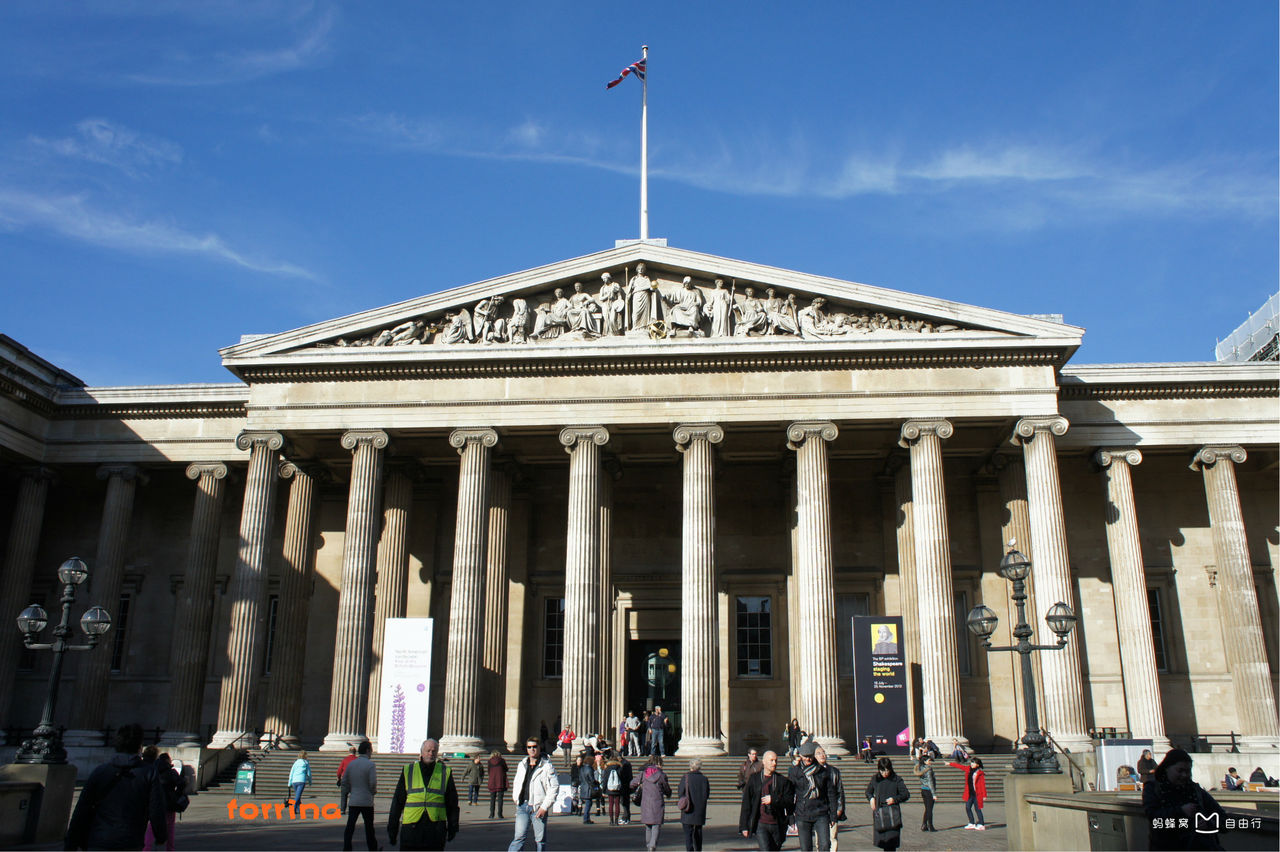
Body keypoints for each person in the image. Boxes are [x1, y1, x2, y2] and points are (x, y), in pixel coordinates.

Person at [65, 723, 167, 850]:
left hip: (98, 839)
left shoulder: (100, 771)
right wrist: (161, 836)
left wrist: (70, 843)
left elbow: (82, 809)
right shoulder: (149, 773)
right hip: (129, 841)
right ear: (140, 746)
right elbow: (156, 809)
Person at [1143, 748, 1227, 851]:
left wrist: (1210, 823)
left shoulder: (1195, 790)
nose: (1184, 775)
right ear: (1167, 768)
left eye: (1188, 771)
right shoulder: (1153, 788)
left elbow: (1223, 818)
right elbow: (1153, 817)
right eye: (1180, 771)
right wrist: (1181, 811)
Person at [388, 739, 459, 851]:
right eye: (428, 750)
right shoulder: (409, 770)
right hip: (411, 828)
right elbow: (397, 802)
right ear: (421, 752)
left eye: (434, 751)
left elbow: (452, 802)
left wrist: (453, 826)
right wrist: (392, 828)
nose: (431, 753)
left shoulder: (445, 772)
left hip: (435, 829)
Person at [739, 750, 795, 851]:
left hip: (777, 823)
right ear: (764, 762)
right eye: (771, 760)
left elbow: (789, 802)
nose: (774, 763)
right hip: (761, 823)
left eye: (776, 760)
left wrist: (774, 800)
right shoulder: (754, 779)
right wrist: (744, 826)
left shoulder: (783, 781)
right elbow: (747, 803)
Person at [509, 737, 558, 852]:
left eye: (534, 747)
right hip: (523, 805)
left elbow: (554, 787)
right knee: (518, 838)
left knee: (540, 840)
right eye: (529, 747)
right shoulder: (522, 765)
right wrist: (516, 797)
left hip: (538, 807)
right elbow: (517, 782)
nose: (532, 749)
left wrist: (544, 807)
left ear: (540, 747)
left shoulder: (547, 766)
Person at [789, 741, 838, 852]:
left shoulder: (823, 772)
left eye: (810, 756)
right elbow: (790, 794)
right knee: (806, 848)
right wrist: (791, 816)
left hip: (821, 812)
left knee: (825, 845)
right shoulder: (794, 772)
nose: (808, 759)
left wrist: (833, 815)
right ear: (800, 756)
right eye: (805, 756)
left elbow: (831, 794)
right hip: (802, 813)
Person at [865, 756, 911, 852]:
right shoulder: (875, 779)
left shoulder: (896, 779)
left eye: (887, 770)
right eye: (882, 771)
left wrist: (894, 799)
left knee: (891, 845)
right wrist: (871, 799)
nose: (885, 773)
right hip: (880, 815)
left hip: (892, 815)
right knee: (883, 843)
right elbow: (868, 792)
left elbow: (906, 794)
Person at [142, 750, 184, 852]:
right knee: (170, 827)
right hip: (169, 803)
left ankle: (146, 848)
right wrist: (176, 795)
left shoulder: (153, 770)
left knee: (152, 826)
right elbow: (181, 784)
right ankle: (170, 849)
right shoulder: (171, 772)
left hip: (155, 802)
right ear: (168, 761)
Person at [341, 740, 378, 851]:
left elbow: (344, 781)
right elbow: (372, 782)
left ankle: (347, 848)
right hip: (366, 800)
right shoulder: (370, 765)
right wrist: (372, 791)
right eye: (371, 750)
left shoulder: (352, 764)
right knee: (369, 827)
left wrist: (352, 790)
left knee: (350, 826)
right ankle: (372, 848)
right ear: (367, 750)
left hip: (354, 799)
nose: (371, 753)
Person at [633, 755, 672, 852]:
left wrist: (640, 785)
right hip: (657, 802)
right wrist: (668, 793)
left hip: (646, 802)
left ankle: (648, 845)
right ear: (659, 763)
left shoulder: (643, 773)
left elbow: (632, 783)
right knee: (656, 825)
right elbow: (666, 788)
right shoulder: (661, 775)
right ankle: (652, 845)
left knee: (648, 826)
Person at [814, 747, 846, 850]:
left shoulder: (834, 771)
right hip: (818, 810)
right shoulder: (812, 771)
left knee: (833, 837)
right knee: (819, 841)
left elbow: (839, 791)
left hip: (832, 809)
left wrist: (839, 808)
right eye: (819, 753)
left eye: (823, 752)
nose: (822, 755)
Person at [678, 758, 711, 851]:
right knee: (698, 831)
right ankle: (698, 849)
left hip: (688, 808)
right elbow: (707, 794)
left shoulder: (685, 778)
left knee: (688, 833)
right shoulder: (704, 779)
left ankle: (690, 849)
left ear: (690, 766)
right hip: (700, 809)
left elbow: (680, 792)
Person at [947, 755, 987, 830]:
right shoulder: (968, 769)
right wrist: (950, 764)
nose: (972, 764)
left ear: (977, 765)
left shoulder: (979, 773)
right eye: (971, 762)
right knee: (968, 807)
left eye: (974, 763)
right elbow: (960, 766)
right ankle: (971, 823)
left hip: (977, 794)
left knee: (977, 809)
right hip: (970, 793)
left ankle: (981, 824)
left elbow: (982, 784)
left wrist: (984, 795)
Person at [912, 754, 937, 832]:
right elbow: (930, 782)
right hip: (929, 791)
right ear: (925, 761)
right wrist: (934, 794)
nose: (930, 762)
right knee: (929, 809)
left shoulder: (920, 767)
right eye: (929, 760)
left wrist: (913, 759)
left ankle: (924, 825)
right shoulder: (928, 770)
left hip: (923, 790)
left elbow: (916, 762)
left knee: (927, 808)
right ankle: (930, 826)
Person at [604, 752, 626, 824]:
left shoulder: (607, 769)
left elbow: (605, 780)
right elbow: (623, 779)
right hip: (618, 788)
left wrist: (604, 790)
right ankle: (616, 820)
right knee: (617, 804)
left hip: (610, 788)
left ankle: (611, 820)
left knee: (610, 804)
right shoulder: (620, 768)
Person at [289, 750, 313, 817]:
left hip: (294, 781)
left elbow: (291, 772)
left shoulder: (296, 763)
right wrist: (310, 781)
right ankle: (294, 807)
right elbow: (309, 773)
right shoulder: (306, 763)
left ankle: (299, 809)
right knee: (298, 796)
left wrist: (289, 782)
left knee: (298, 795)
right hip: (301, 780)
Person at [575, 754, 597, 823]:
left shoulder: (582, 768)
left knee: (588, 803)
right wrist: (595, 785)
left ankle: (586, 818)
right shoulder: (590, 769)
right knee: (588, 803)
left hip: (583, 787)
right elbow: (592, 779)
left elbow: (580, 778)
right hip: (589, 788)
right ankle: (586, 818)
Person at [338, 745, 360, 814]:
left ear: (349, 752)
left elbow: (339, 770)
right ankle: (353, 809)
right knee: (354, 795)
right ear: (355, 752)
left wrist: (339, 778)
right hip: (354, 780)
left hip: (345, 779)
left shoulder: (345, 760)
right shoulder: (358, 760)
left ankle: (342, 809)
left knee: (344, 795)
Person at [488, 750, 509, 819]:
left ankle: (491, 814)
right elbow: (506, 769)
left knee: (492, 799)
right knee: (500, 799)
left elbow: (489, 771)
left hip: (492, 781)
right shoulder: (502, 761)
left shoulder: (489, 761)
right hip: (500, 781)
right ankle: (500, 814)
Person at [618, 751, 636, 825]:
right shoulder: (626, 763)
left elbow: (623, 775)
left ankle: (626, 817)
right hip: (627, 784)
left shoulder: (624, 764)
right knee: (625, 802)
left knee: (624, 802)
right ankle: (626, 817)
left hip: (624, 785)